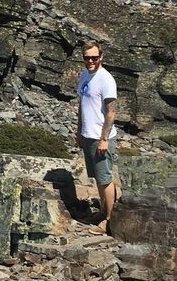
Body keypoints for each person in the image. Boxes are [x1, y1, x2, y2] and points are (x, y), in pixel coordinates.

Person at [76, 41, 117, 234]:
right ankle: (103, 211)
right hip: (88, 135)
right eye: (87, 58)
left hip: (101, 137)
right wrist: (79, 131)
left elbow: (111, 112)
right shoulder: (85, 75)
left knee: (105, 178)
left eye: (94, 57)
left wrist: (104, 139)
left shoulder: (105, 79)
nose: (91, 61)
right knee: (98, 178)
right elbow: (81, 106)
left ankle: (110, 220)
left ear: (101, 57)